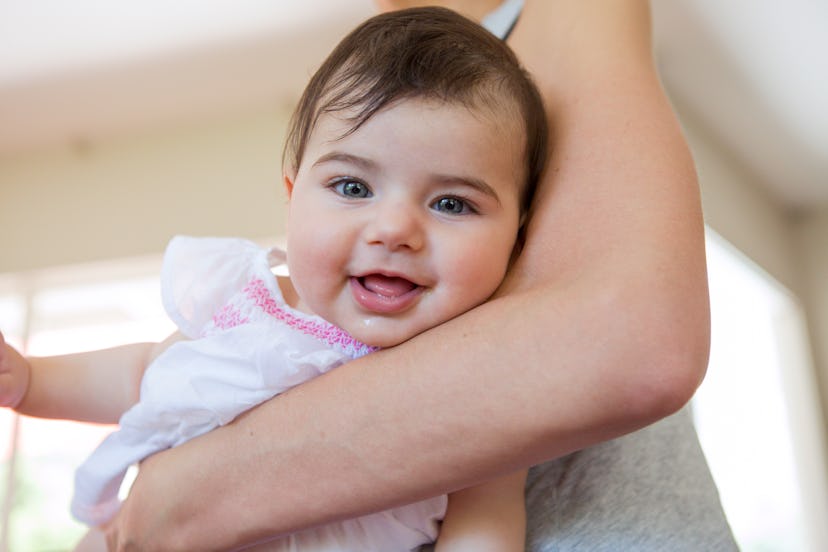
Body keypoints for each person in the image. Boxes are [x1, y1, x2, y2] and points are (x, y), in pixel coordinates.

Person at [1, 6, 548, 551]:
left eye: (452, 202)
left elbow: (485, 525)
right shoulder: (250, 306)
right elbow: (139, 376)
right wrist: (29, 381)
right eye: (354, 188)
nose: (394, 229)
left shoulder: (478, 377)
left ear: (518, 236)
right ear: (292, 199)